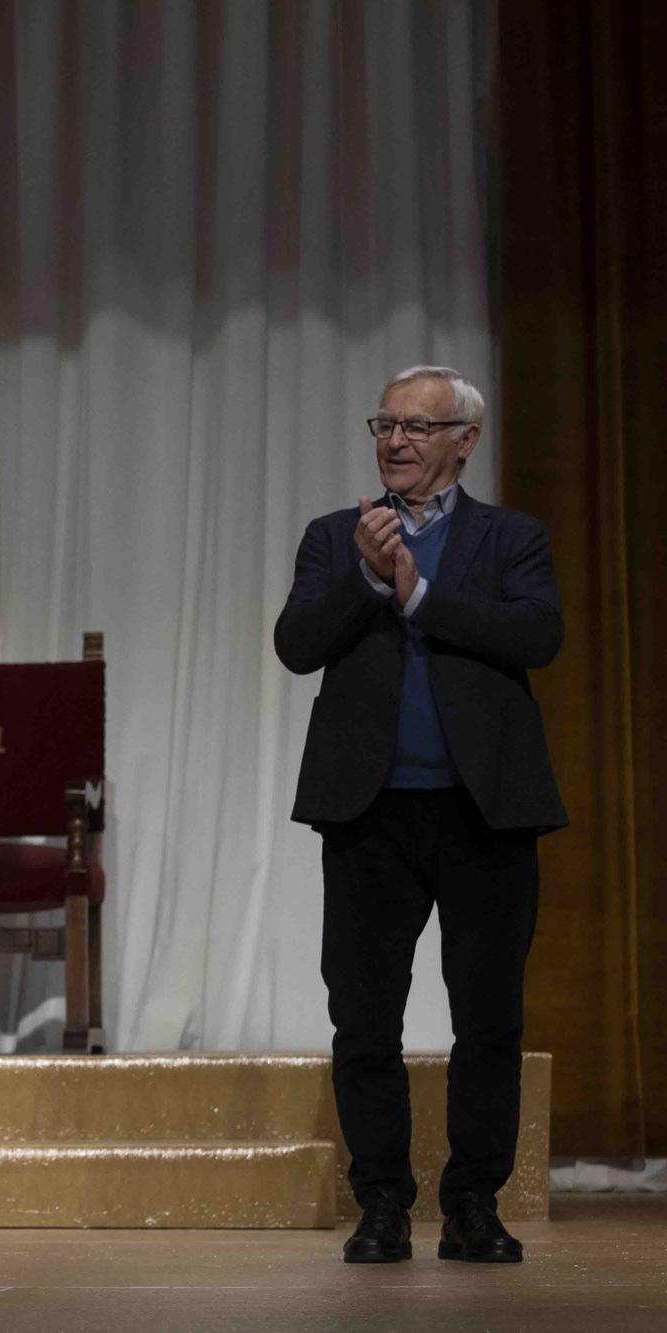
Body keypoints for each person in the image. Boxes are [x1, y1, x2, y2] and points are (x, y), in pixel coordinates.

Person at [275, 365, 565, 1266]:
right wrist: (366, 580)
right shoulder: (335, 537)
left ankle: (475, 1202)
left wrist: (421, 598)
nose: (394, 441)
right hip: (368, 815)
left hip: (486, 813)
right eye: (385, 423)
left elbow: (537, 636)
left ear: (464, 440)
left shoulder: (512, 537)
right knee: (364, 1019)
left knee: (489, 1018)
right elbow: (295, 646)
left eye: (417, 426)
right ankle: (383, 1205)